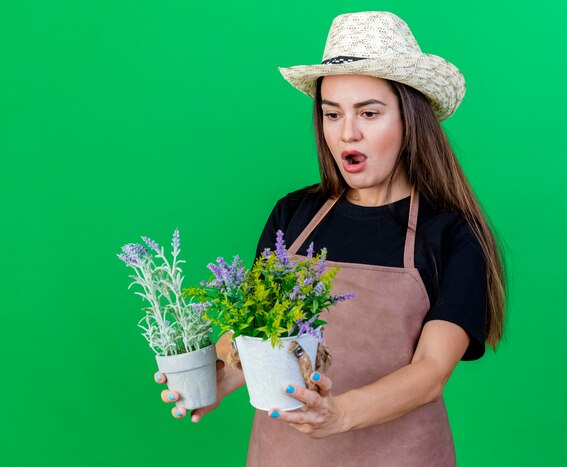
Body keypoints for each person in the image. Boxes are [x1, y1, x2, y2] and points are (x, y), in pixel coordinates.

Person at [155, 11, 506, 466]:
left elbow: (430, 373)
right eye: (332, 114)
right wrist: (219, 378)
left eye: (369, 113)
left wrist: (337, 415)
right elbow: (255, 333)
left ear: (410, 119)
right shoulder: (294, 215)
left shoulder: (453, 234)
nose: (347, 133)